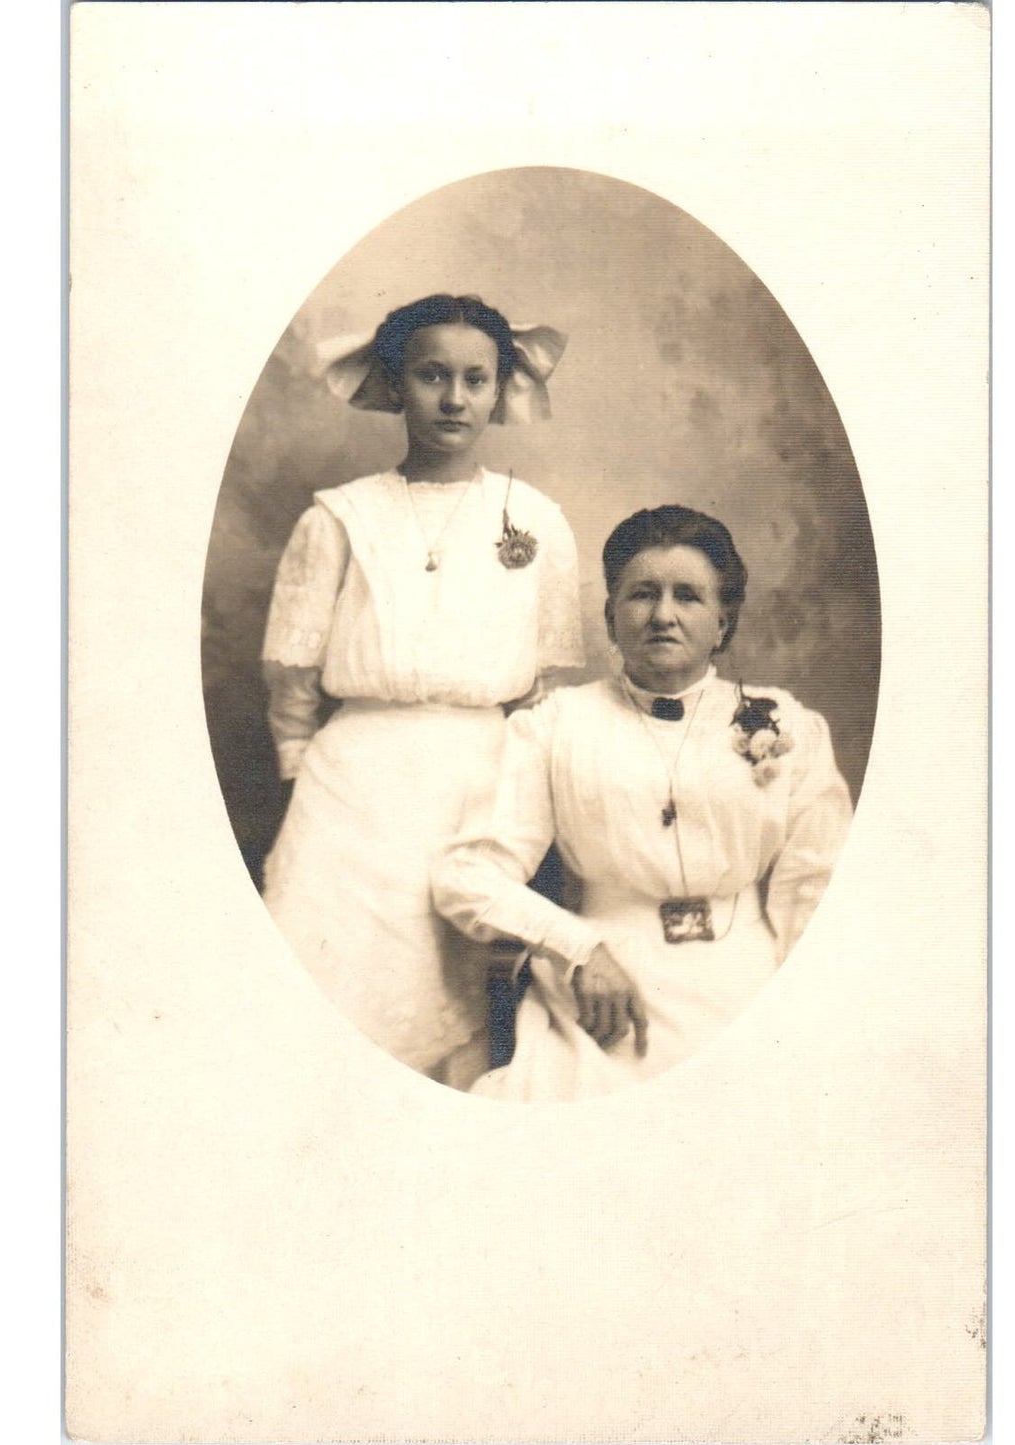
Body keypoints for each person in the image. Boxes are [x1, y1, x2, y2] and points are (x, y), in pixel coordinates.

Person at [260, 294, 583, 1082]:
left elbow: (546, 682)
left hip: (475, 781)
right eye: (432, 375)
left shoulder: (535, 521)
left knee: (448, 989)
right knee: (317, 973)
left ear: (499, 390)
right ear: (397, 383)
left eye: (475, 379)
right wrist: (301, 758)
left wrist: (524, 792)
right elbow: (292, 662)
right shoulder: (340, 516)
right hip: (350, 785)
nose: (453, 398)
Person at [432, 505, 853, 1101]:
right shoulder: (555, 725)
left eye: (689, 597)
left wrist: (802, 1013)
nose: (663, 616)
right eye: (641, 595)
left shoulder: (788, 724)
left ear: (722, 624)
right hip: (605, 988)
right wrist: (578, 947)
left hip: (748, 976)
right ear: (610, 615)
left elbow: (816, 887)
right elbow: (467, 874)